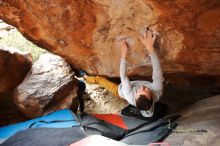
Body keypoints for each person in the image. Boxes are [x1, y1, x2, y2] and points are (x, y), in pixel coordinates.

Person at [80, 29, 164, 117]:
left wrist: (124, 55)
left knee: (99, 79)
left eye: (140, 91)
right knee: (137, 83)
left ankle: (85, 77)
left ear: (135, 97)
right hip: (133, 84)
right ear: (152, 96)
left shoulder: (129, 95)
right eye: (146, 90)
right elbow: (157, 70)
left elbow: (123, 77)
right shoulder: (157, 91)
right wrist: (150, 48)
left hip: (120, 90)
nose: (142, 87)